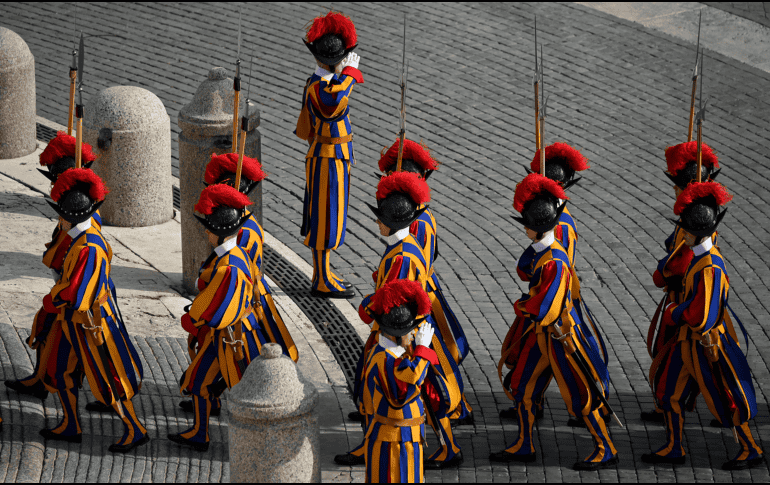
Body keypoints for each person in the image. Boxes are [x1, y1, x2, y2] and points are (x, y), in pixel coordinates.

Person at [336, 172, 464, 469]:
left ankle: (448, 447)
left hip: (401, 333)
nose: (377, 222)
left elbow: (394, 297)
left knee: (423, 391)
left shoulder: (401, 256)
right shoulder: (404, 247)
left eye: (381, 218)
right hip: (404, 331)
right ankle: (377, 442)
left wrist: (369, 304)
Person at [492, 173, 617, 471]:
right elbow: (524, 270)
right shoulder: (543, 252)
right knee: (522, 387)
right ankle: (524, 443)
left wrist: (521, 305)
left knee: (581, 394)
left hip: (559, 336)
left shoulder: (554, 261)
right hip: (542, 335)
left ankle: (605, 447)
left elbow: (544, 306)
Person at [643, 181, 764, 470]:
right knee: (667, 390)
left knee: (726, 397)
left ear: (694, 234)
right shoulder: (699, 258)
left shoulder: (710, 266)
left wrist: (673, 311)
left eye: (685, 229)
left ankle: (750, 448)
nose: (680, 233)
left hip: (705, 343)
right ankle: (674, 446)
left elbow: (701, 315)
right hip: (687, 341)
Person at [39, 168, 148, 453]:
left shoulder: (90, 246)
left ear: (65, 217)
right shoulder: (80, 238)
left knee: (108, 375)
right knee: (60, 368)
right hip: (72, 320)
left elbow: (78, 293)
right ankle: (71, 424)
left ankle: (135, 429)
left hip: (91, 323)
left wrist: (56, 296)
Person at [378, 139, 472, 423]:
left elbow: (409, 271)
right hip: (419, 294)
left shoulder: (417, 224)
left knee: (433, 361)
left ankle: (453, 408)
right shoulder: (417, 216)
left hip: (415, 301)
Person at [5, 132, 102, 403]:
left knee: (87, 357)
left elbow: (77, 263)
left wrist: (62, 295)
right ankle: (39, 380)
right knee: (45, 331)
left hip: (81, 296)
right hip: (65, 288)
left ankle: (114, 404)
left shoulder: (85, 219)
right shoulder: (73, 204)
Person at [169, 184, 266, 451]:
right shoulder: (237, 255)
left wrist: (193, 319)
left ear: (220, 233)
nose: (206, 232)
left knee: (221, 386)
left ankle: (211, 436)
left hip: (230, 337)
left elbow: (214, 306)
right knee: (205, 382)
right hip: (233, 332)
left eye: (209, 228)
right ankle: (201, 432)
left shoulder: (228, 267)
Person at [295, 10, 363, 298]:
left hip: (334, 156)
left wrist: (344, 74)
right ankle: (321, 279)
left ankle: (323, 273)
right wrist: (349, 73)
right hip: (327, 158)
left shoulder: (323, 81)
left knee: (329, 218)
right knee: (325, 221)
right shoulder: (321, 87)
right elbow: (333, 102)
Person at [360, 279, 444, 483]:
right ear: (396, 334)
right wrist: (423, 351)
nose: (414, 333)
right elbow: (405, 388)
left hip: (404, 437)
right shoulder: (387, 359)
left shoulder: (390, 353)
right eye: (410, 330)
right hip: (393, 442)